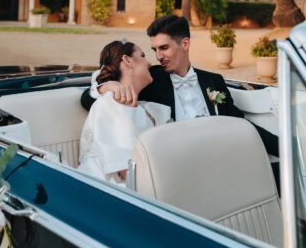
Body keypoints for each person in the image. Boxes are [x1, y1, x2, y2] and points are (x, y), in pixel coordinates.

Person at [82, 15, 279, 157]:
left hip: (219, 158)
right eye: (154, 49)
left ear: (185, 44)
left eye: (164, 48)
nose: (158, 56)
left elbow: (241, 123)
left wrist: (284, 148)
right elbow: (91, 102)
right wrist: (107, 86)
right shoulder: (152, 79)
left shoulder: (213, 81)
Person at [78, 40, 170, 184]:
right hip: (116, 188)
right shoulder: (109, 104)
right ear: (127, 60)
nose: (150, 63)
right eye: (143, 55)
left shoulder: (146, 107)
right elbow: (126, 171)